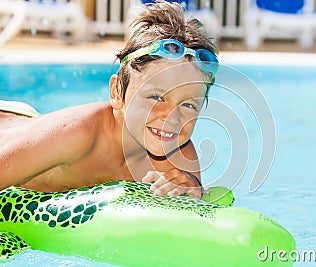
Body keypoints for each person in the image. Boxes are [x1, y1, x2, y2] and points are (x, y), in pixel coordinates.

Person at [0, 1, 219, 199]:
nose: (172, 117)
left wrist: (191, 187)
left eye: (188, 105)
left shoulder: (178, 157)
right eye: (156, 97)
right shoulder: (78, 134)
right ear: (116, 92)